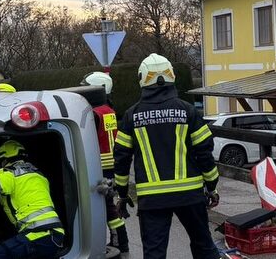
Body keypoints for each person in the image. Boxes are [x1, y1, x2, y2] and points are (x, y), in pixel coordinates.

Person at [113, 54, 220, 259]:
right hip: (190, 195)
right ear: (171, 76)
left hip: (152, 199)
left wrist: (123, 194)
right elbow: (204, 152)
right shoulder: (188, 111)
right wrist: (212, 186)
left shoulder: (131, 116)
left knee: (155, 253)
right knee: (203, 246)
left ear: (143, 78)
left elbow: (121, 159)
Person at [0, 140, 64, 259]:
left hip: (38, 234)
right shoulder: (39, 175)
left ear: (4, 160)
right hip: (54, 234)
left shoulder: (11, 173)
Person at [82, 71, 129, 253]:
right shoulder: (109, 111)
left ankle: (119, 242)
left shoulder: (94, 113)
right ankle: (120, 240)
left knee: (105, 207)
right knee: (108, 205)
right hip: (112, 167)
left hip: (98, 167)